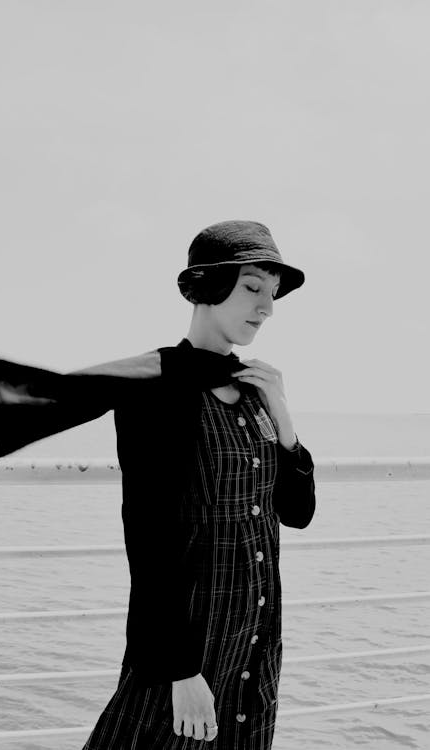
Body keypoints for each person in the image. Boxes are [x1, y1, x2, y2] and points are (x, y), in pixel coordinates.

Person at [78, 220, 316, 749]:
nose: (266, 308)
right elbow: (147, 539)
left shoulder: (257, 390)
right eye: (252, 287)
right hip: (186, 646)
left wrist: (284, 419)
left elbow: (297, 512)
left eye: (272, 294)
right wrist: (181, 673)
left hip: (255, 642)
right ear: (208, 288)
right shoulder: (158, 390)